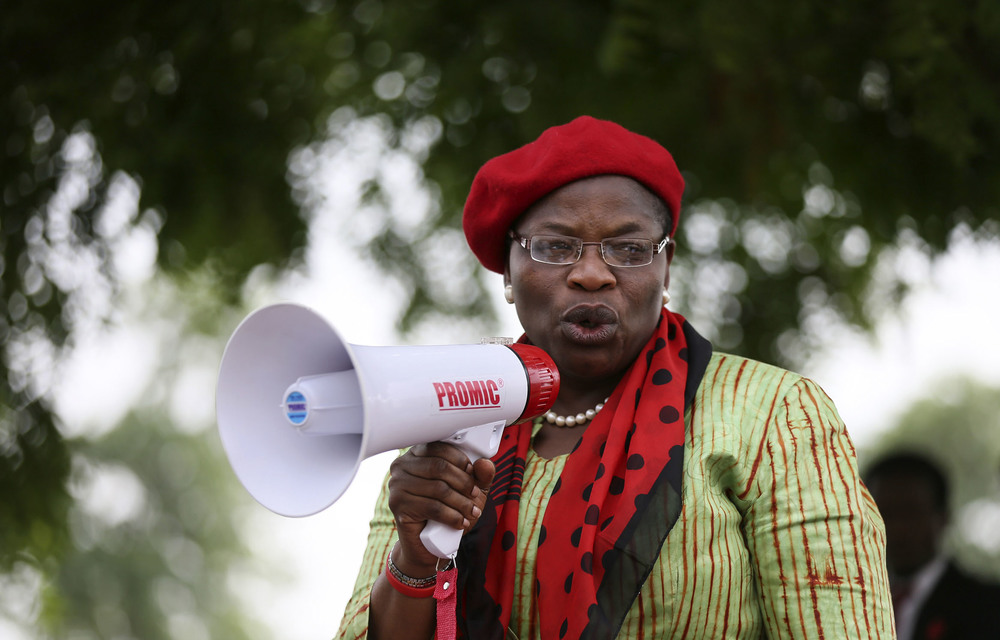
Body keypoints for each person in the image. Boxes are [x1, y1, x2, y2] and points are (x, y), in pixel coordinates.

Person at [335, 116, 894, 639]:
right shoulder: (447, 424)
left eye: (629, 249)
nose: (592, 274)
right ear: (509, 270)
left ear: (665, 266)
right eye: (556, 247)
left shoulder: (775, 415)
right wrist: (415, 557)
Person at [865, 451, 1000, 640]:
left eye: (911, 513)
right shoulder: (856, 605)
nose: (897, 528)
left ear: (943, 517)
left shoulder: (987, 607)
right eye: (884, 513)